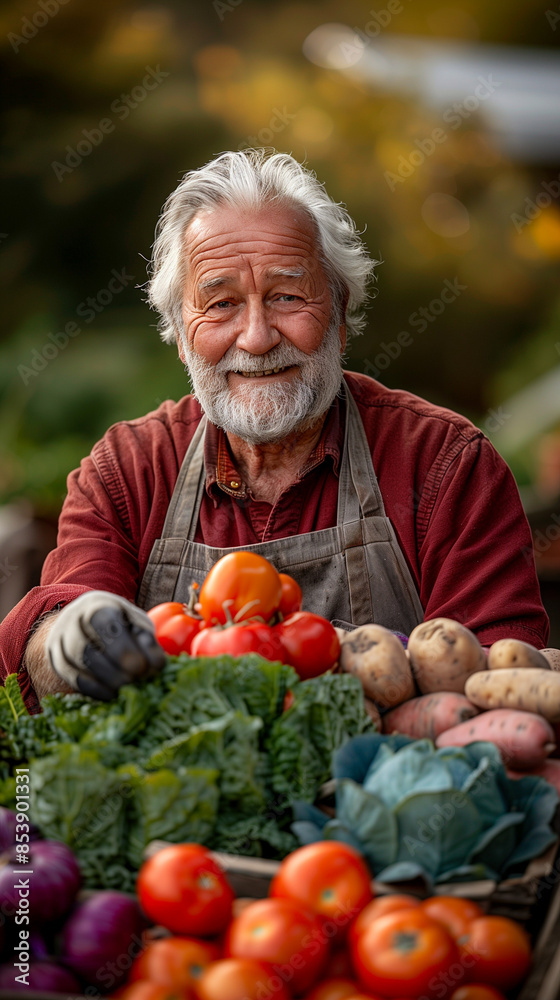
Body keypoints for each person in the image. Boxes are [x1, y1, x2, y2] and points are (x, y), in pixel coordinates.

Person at [0, 149, 548, 711]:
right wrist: (66, 637)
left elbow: (507, 678)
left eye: (287, 296)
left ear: (339, 312)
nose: (257, 338)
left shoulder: (445, 464)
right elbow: (48, 649)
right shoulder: (128, 471)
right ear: (181, 332)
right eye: (221, 303)